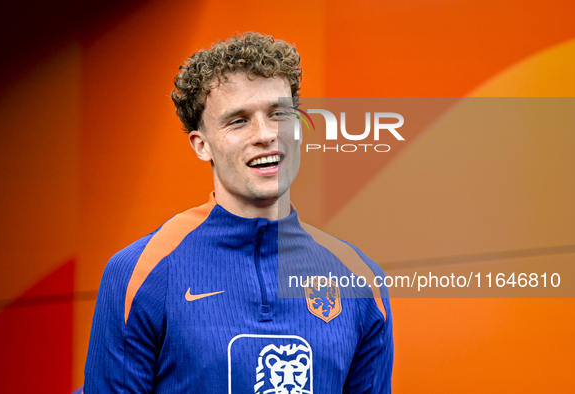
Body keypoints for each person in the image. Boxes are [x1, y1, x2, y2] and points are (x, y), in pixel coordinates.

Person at [84, 32, 393, 393]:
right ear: (202, 145)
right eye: (238, 120)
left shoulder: (360, 278)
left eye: (279, 114)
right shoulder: (140, 273)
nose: (265, 135)